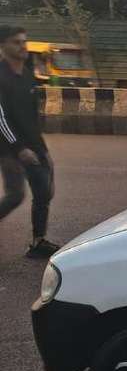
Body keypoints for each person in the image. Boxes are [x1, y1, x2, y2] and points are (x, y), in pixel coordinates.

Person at [0, 25, 61, 258]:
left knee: (44, 193)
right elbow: (1, 118)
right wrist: (19, 148)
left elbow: (32, 118)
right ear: (2, 46)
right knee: (16, 195)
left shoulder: (27, 75)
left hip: (34, 146)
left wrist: (43, 149)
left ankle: (38, 241)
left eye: (24, 41)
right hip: (8, 149)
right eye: (16, 42)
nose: (22, 46)